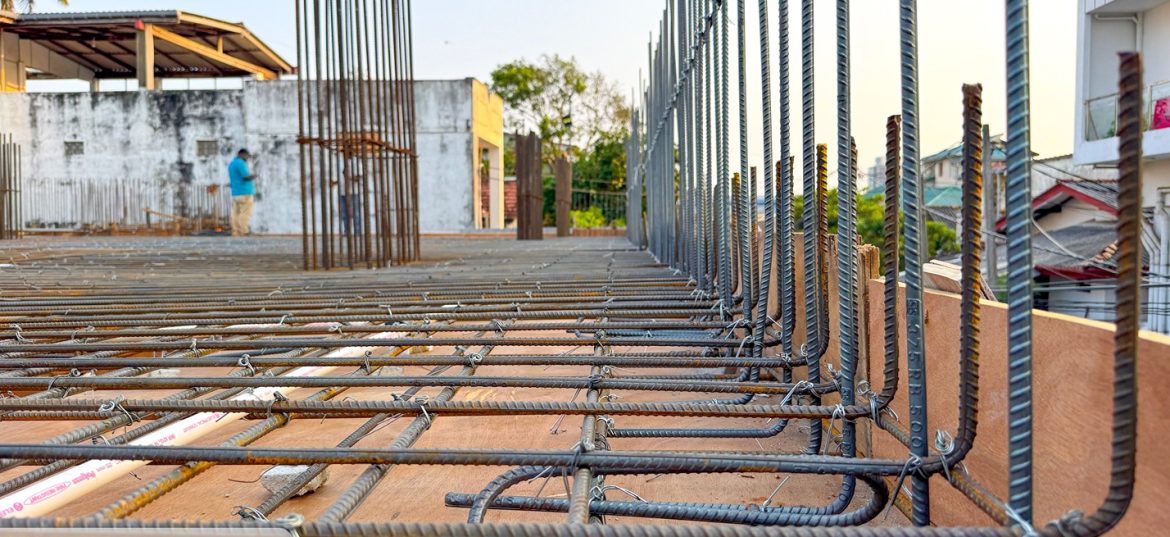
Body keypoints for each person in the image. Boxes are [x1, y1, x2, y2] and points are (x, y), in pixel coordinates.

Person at [228, 149, 257, 236]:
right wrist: (254, 176)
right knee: (246, 212)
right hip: (245, 192)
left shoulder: (232, 164)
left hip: (235, 193)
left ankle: (235, 231)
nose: (248, 158)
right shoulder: (241, 163)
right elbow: (245, 177)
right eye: (247, 155)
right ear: (242, 154)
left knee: (235, 213)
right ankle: (244, 231)